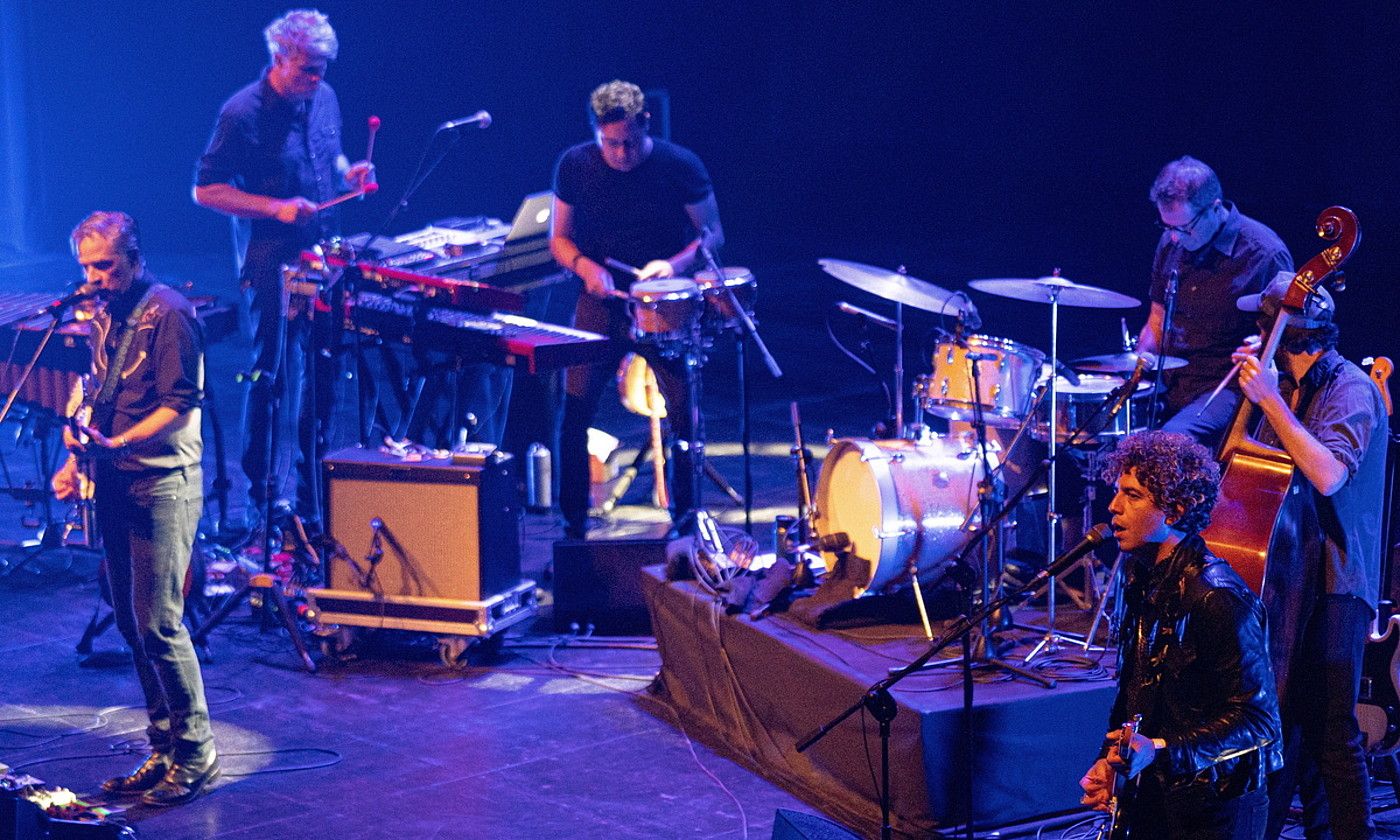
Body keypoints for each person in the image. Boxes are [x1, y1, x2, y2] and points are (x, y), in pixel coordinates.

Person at [51, 212, 218, 806]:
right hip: (115, 482)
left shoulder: (168, 312)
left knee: (159, 622)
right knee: (128, 621)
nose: (95, 278)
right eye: (87, 268)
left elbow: (181, 402)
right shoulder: (103, 316)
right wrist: (76, 458)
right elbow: (95, 389)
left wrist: (120, 443)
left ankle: (197, 753)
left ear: (134, 259)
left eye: (106, 266)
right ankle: (164, 743)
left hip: (162, 482)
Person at [193, 8, 372, 527]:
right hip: (269, 258)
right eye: (308, 70)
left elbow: (330, 160)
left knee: (322, 373)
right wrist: (274, 207)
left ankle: (315, 498)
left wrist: (349, 174)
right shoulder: (241, 112)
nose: (317, 81)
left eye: (322, 70)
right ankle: (263, 498)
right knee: (271, 374)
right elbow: (205, 190)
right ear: (279, 58)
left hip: (321, 251)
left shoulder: (325, 97)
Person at [1232, 272, 1388, 840]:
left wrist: (1269, 399)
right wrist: (1253, 399)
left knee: (1333, 736)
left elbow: (1325, 474)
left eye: (1264, 319)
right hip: (1288, 577)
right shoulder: (1289, 388)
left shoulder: (1348, 386)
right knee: (1288, 728)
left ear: (1285, 329)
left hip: (1336, 581)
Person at [1080, 430, 1282, 839]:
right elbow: (1136, 691)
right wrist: (1111, 760)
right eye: (1117, 491)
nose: (1113, 507)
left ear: (1175, 509)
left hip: (1218, 805)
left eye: (1132, 495)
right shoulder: (1143, 578)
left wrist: (1160, 750)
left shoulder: (1218, 597)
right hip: (1159, 793)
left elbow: (1260, 722)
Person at [550, 79, 723, 539]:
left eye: (628, 142)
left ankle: (685, 525)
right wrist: (585, 267)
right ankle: (572, 526)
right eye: (610, 143)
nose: (621, 153)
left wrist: (672, 264)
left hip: (664, 306)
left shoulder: (678, 165)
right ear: (596, 133)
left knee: (684, 415)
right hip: (601, 302)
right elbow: (559, 240)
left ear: (645, 124)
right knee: (574, 411)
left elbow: (713, 235)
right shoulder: (575, 165)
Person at [1136, 157, 1292, 448]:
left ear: (1215, 208)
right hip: (1172, 382)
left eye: (1183, 228)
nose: (1173, 237)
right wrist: (1132, 372)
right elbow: (1156, 319)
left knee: (1166, 446)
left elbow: (1292, 339)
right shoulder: (1171, 241)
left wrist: (1263, 345)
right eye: (1166, 226)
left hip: (1227, 386)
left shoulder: (1264, 254)